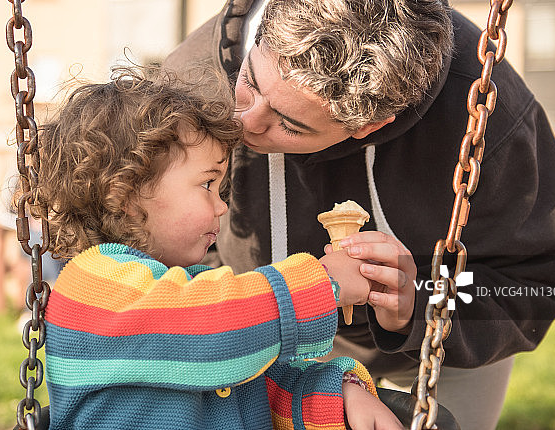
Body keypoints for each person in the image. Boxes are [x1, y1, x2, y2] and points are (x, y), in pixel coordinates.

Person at [163, 0, 555, 430]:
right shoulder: (189, 87)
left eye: (290, 124)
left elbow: (533, 276)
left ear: (369, 127)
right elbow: (164, 262)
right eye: (252, 83)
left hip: (449, 340)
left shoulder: (482, 106)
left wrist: (422, 302)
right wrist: (315, 368)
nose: (245, 123)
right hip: (270, 333)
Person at [36, 69, 403, 430]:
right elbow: (215, 333)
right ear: (130, 193)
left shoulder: (187, 289)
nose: (222, 206)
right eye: (208, 184)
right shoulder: (95, 290)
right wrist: (324, 283)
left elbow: (260, 386)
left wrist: (341, 396)